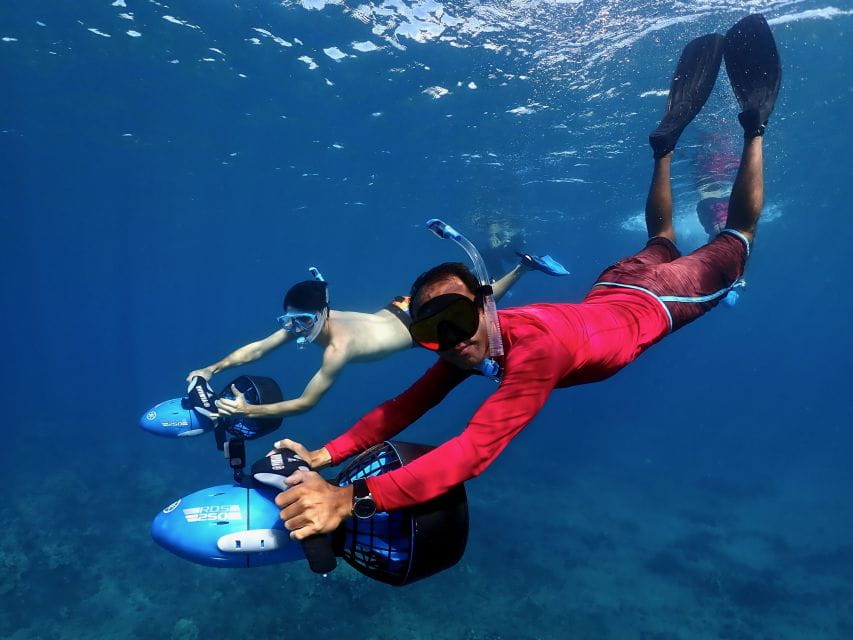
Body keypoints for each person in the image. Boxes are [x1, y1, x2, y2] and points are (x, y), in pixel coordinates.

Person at [263, 15, 781, 539]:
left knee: (739, 234)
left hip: (661, 300)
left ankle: (753, 126)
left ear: (486, 305)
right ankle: (664, 148)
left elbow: (472, 449)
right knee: (661, 239)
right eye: (432, 332)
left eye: (458, 319)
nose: (451, 343)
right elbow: (407, 404)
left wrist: (351, 498)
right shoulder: (474, 339)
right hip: (614, 288)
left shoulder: (537, 355)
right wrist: (322, 453)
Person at [189, 257, 562, 420]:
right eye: (290, 321)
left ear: (322, 312)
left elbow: (305, 404)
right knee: (474, 297)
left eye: (303, 321)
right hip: (395, 307)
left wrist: (250, 411)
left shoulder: (340, 348)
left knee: (482, 303)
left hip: (415, 326)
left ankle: (523, 268)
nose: (296, 328)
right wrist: (213, 367)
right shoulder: (309, 323)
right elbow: (259, 348)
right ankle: (516, 266)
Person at [695, 134, 741, 240]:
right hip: (717, 197)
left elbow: (700, 208)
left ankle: (706, 142)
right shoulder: (737, 223)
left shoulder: (711, 226)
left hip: (711, 197)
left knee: (707, 163)